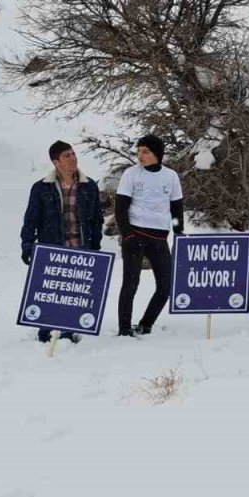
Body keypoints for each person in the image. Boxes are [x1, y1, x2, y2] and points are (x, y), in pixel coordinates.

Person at [20, 141, 105, 343]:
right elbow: (31, 219)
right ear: (56, 162)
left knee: (74, 293)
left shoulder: (88, 186)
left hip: (80, 246)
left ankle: (67, 332)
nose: (73, 158)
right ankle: (45, 331)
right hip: (52, 247)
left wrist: (95, 246)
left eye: (74, 153)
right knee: (50, 292)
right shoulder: (42, 188)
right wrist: (27, 245)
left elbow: (96, 219)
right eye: (67, 155)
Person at [115, 135, 184, 338]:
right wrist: (127, 235)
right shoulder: (131, 174)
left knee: (166, 286)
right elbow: (120, 208)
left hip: (159, 238)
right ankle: (124, 329)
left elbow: (176, 210)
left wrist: (178, 233)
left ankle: (146, 324)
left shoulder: (171, 177)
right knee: (130, 284)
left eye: (145, 151)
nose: (140, 156)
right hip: (135, 235)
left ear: (157, 154)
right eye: (138, 151)